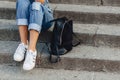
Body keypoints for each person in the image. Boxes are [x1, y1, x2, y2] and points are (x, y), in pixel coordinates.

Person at [13, 0, 53, 70]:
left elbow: (41, 1)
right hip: (29, 18)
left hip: (44, 17)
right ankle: (24, 43)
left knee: (36, 5)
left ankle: (31, 50)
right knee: (21, 2)